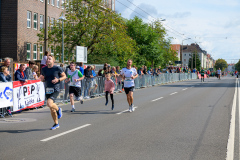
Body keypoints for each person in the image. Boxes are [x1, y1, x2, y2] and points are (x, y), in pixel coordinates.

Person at [40, 55, 67, 130]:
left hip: (55, 89)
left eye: (49, 59)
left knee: (49, 104)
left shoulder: (57, 68)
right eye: (47, 59)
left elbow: (65, 76)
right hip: (48, 89)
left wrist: (58, 80)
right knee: (51, 108)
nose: (48, 60)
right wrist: (39, 79)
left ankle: (58, 109)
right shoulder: (44, 69)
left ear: (53, 61)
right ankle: (56, 123)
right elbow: (42, 78)